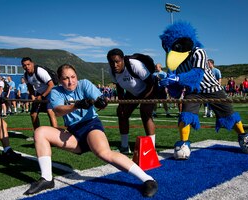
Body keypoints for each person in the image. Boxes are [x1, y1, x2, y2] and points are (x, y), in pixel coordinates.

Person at [24, 64, 158, 197]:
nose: (70, 81)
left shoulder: (84, 84)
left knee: (104, 153)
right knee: (40, 132)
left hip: (90, 126)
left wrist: (101, 102)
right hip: (73, 132)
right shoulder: (56, 91)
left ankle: (148, 179)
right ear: (59, 80)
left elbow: (100, 99)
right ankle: (47, 179)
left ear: (77, 76)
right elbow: (58, 111)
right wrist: (76, 105)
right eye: (65, 78)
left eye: (73, 77)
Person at [159, 21, 248, 159]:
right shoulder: (176, 63)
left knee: (229, 114)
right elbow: (177, 90)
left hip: (212, 88)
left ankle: (244, 138)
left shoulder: (198, 52)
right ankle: (183, 144)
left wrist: (177, 79)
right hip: (193, 91)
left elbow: (196, 74)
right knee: (186, 115)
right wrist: (170, 85)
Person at [106, 48, 156, 154]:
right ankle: (124, 146)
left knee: (145, 111)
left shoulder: (135, 65)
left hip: (149, 89)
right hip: (132, 93)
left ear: (123, 59)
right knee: (122, 112)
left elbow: (151, 82)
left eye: (117, 61)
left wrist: (144, 100)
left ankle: (152, 148)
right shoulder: (111, 71)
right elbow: (119, 87)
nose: (114, 65)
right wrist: (121, 104)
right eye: (111, 62)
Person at [21, 57, 58, 139]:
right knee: (33, 114)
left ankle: (56, 136)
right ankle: (37, 135)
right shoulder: (26, 75)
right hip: (39, 93)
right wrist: (33, 96)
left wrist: (42, 96)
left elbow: (51, 85)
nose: (27, 67)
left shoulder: (40, 71)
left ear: (32, 64)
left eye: (28, 64)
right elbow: (30, 87)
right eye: (24, 65)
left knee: (50, 112)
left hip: (50, 91)